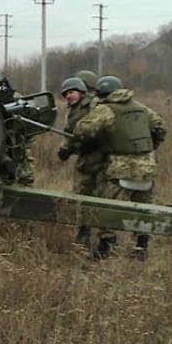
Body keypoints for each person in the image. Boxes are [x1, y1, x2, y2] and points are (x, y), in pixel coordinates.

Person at [72, 75, 166, 260]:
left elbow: (82, 130)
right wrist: (149, 148)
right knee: (143, 207)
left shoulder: (106, 110)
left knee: (109, 208)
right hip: (147, 166)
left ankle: (106, 248)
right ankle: (141, 246)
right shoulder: (141, 108)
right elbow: (161, 127)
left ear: (100, 93)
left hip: (119, 168)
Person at [56, 76, 106, 246]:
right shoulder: (71, 111)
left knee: (103, 200)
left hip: (102, 160)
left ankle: (105, 240)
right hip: (85, 160)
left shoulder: (95, 105)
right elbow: (69, 133)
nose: (69, 96)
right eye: (66, 94)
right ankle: (83, 237)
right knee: (81, 198)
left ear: (81, 91)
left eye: (72, 92)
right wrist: (65, 149)